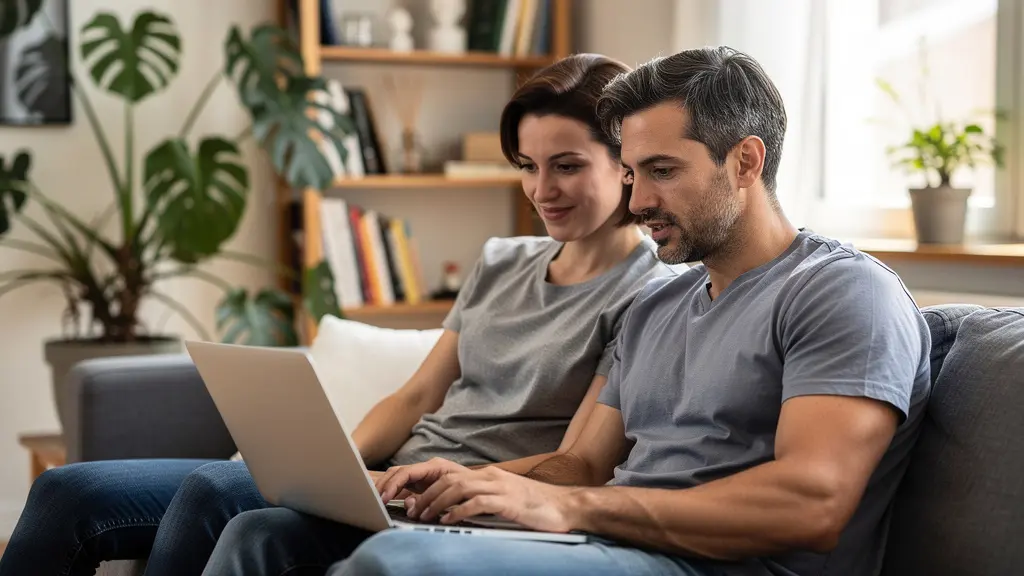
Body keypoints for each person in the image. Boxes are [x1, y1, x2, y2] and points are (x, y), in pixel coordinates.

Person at [0, 54, 680, 576]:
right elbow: (418, 394)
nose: (541, 190)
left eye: (566, 166)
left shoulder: (643, 296)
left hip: (458, 503)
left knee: (217, 492)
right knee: (66, 491)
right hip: (387, 483)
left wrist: (425, 483)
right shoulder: (503, 259)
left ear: (627, 165)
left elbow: (578, 465)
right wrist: (339, 468)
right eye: (527, 166)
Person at [309, 45, 932, 575]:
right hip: (611, 543)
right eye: (632, 174)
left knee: (394, 563)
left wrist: (577, 509)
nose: (637, 203)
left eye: (662, 171)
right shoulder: (659, 302)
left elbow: (812, 504)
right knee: (272, 535)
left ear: (746, 161)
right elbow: (582, 464)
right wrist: (471, 480)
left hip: (713, 564)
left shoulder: (841, 292)